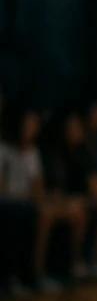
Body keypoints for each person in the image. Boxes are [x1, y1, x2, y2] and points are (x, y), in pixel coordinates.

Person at [0, 106, 86, 291]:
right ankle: (35, 273)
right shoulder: (3, 150)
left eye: (35, 125)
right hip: (10, 202)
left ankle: (70, 268)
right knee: (44, 214)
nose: (33, 128)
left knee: (75, 210)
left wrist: (50, 196)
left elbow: (37, 187)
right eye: (29, 124)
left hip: (28, 200)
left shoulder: (33, 152)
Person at [51, 110, 97, 280]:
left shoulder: (84, 152)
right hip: (64, 200)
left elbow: (94, 183)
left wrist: (95, 192)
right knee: (79, 212)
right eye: (71, 127)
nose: (76, 130)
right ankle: (76, 263)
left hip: (84, 199)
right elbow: (55, 189)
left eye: (77, 127)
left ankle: (95, 261)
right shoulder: (56, 153)